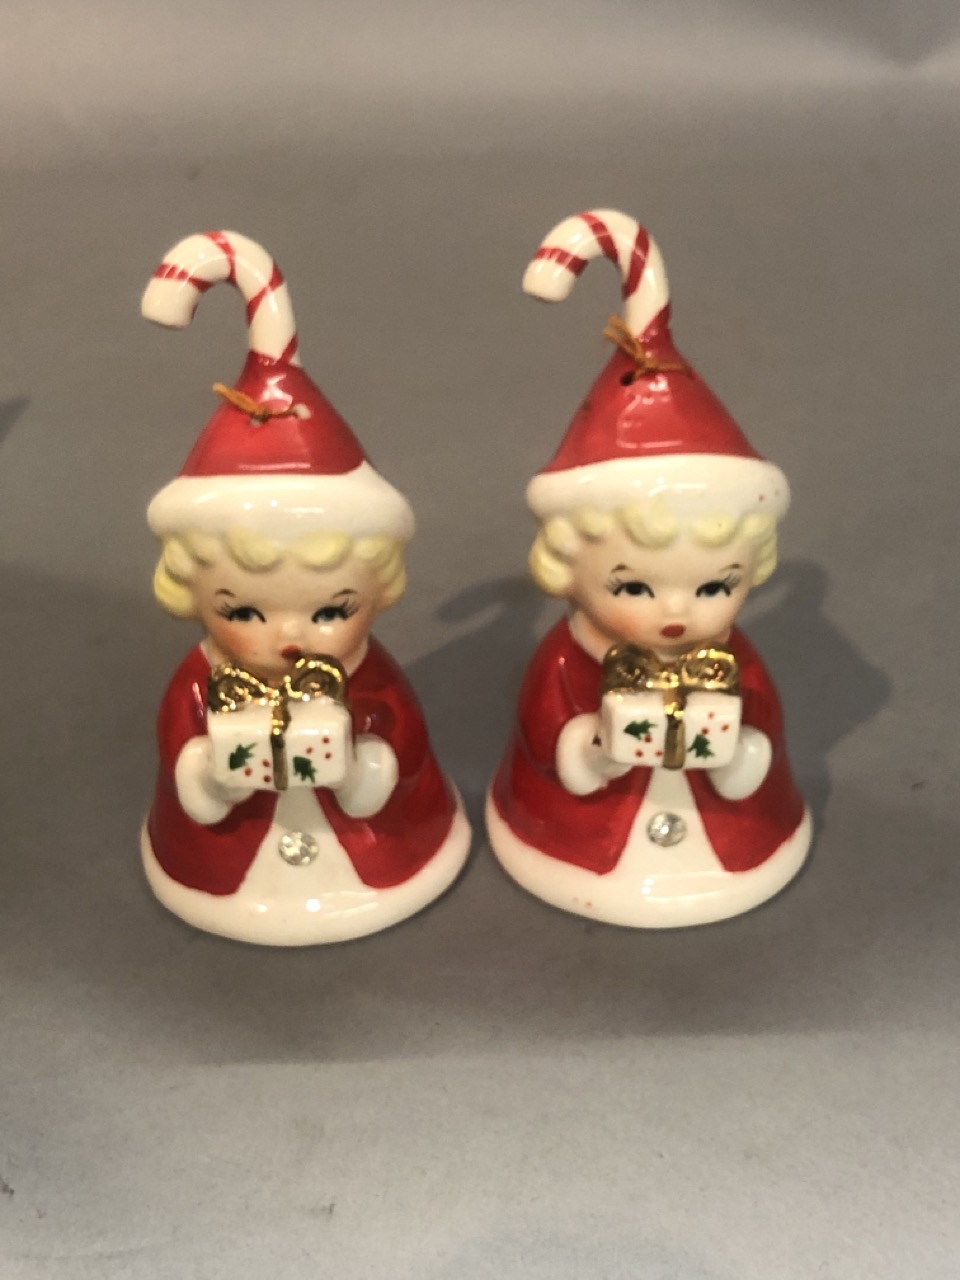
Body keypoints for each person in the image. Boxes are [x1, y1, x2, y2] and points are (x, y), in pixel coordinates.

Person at [141, 231, 470, 944]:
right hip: (226, 867)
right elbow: (185, 774)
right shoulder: (199, 686)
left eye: (329, 610)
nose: (288, 636)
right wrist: (214, 775)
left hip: (374, 859)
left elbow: (400, 760)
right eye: (242, 610)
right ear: (193, 593)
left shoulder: (372, 682)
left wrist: (357, 769)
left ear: (376, 592)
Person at [487, 209, 810, 927]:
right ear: (569, 567)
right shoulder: (566, 664)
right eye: (632, 586)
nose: (678, 611)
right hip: (581, 842)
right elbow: (552, 751)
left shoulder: (733, 661)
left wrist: (734, 753)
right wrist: (599, 749)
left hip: (729, 842)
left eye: (715, 586)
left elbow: (758, 748)